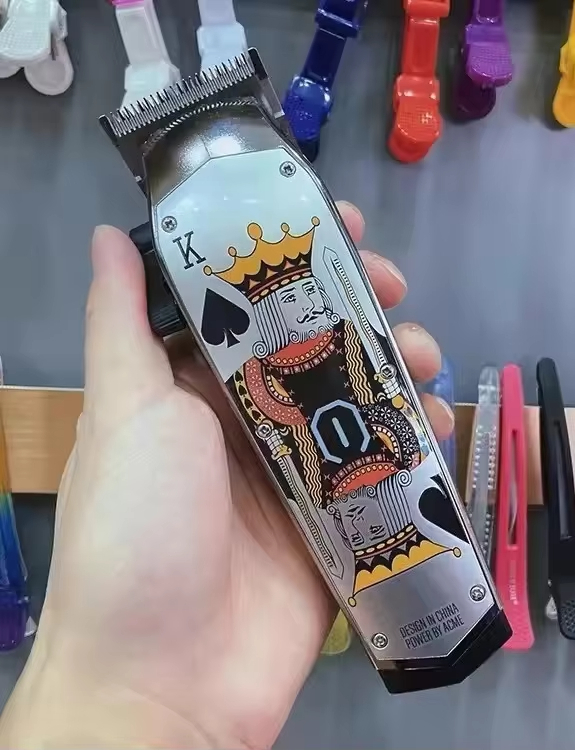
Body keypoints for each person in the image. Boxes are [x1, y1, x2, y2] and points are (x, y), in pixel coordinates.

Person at [0, 203, 453, 749]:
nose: (309, 306)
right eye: (296, 298)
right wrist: (123, 688)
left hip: (355, 485)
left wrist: (116, 693)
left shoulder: (334, 346)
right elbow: (277, 406)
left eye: (310, 293)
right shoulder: (262, 372)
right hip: (324, 487)